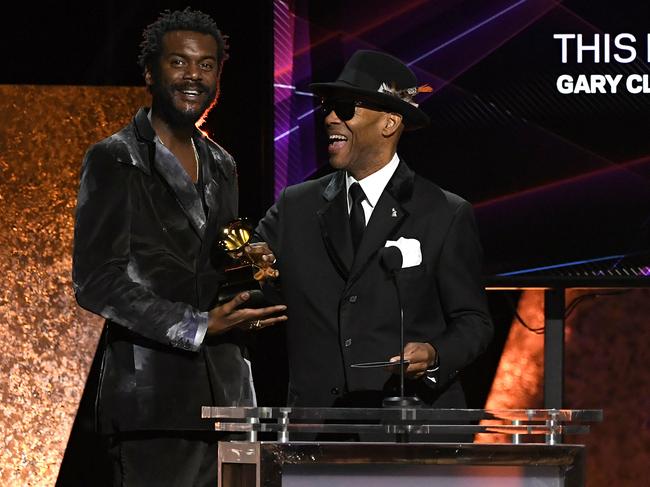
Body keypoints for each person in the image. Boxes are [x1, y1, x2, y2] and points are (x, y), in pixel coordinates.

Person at [71, 8, 286, 486]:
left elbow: (217, 259)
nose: (194, 76)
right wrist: (197, 325)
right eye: (179, 63)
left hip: (232, 397)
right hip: (155, 404)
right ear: (150, 72)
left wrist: (253, 267)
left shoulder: (223, 163)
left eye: (207, 65)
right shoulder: (114, 158)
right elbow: (95, 280)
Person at [256, 50, 493, 409]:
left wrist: (434, 354)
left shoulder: (445, 213)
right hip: (320, 430)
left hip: (410, 424)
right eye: (329, 106)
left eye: (347, 108)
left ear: (389, 123)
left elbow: (473, 321)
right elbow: (252, 281)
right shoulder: (295, 206)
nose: (331, 118)